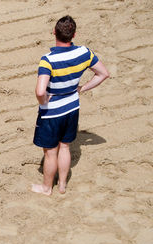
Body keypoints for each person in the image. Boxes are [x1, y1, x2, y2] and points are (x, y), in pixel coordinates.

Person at [31, 15, 110, 195]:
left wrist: (44, 104)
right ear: (73, 35)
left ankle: (46, 188)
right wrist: (82, 88)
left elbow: (40, 91)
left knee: (50, 152)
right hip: (72, 107)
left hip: (52, 113)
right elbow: (103, 74)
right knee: (65, 147)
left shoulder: (47, 60)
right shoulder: (84, 53)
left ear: (54, 33)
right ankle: (62, 185)